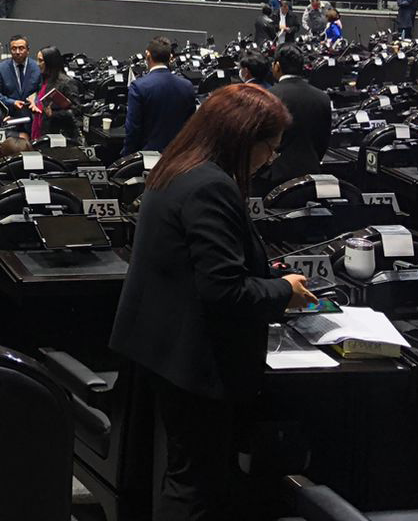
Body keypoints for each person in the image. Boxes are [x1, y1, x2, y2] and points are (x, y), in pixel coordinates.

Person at [111, 84, 315, 519]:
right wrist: (285, 291)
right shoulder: (210, 186)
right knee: (195, 484)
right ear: (243, 138)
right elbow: (224, 289)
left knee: (189, 473)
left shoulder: (178, 167)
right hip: (194, 360)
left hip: (163, 347)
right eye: (270, 149)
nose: (270, 160)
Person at [254, 44, 333, 194]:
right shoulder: (322, 97)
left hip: (273, 177)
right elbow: (323, 141)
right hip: (311, 174)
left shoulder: (268, 97)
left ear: (277, 66)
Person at [123, 35, 198, 155]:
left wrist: (127, 156)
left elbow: (133, 129)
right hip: (177, 156)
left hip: (147, 156)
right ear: (170, 58)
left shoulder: (138, 87)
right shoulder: (187, 86)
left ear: (147, 55)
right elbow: (190, 126)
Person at [31, 45, 78, 143]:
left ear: (50, 62)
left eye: (41, 61)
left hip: (58, 134)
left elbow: (76, 110)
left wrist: (54, 114)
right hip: (41, 128)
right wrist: (34, 103)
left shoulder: (67, 83)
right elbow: (40, 99)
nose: (37, 64)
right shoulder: (43, 79)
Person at [0, 34, 42, 116]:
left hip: (33, 115)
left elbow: (42, 91)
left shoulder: (37, 68)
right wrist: (12, 102)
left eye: (21, 48)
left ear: (28, 50)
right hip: (10, 116)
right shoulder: (0, 69)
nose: (17, 52)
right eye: (14, 49)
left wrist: (35, 100)